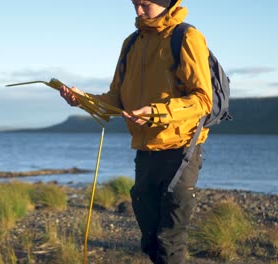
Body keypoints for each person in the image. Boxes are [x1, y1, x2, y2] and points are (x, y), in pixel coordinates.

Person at [60, 0, 212, 263]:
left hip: (181, 150)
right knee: (150, 240)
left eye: (145, 4)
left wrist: (156, 112)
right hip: (145, 152)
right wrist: (82, 100)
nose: (138, 11)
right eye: (134, 4)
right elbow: (116, 100)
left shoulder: (187, 37)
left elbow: (202, 100)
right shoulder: (131, 43)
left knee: (169, 241)